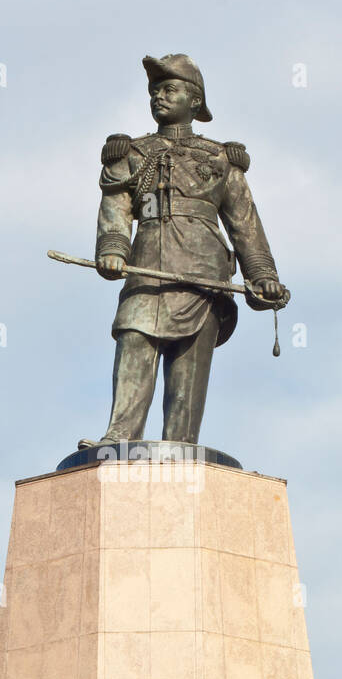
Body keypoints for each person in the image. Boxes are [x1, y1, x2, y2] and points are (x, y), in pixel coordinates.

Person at [79, 53, 286, 448]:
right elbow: (116, 206)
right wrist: (113, 246)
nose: (159, 97)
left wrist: (262, 276)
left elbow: (244, 223)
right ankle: (119, 435)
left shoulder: (221, 159)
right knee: (134, 337)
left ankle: (181, 444)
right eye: (155, 91)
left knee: (188, 367)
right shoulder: (132, 153)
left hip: (203, 272)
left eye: (169, 89)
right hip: (147, 267)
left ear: (194, 100)